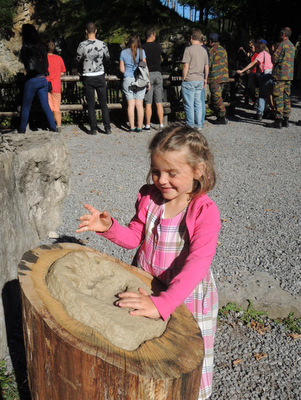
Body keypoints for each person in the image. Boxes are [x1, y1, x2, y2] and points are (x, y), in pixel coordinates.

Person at [76, 123, 221, 400]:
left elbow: (197, 264)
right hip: (146, 284)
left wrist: (164, 303)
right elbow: (134, 238)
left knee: (185, 356)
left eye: (172, 173)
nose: (162, 180)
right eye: (156, 171)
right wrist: (108, 227)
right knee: (147, 350)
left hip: (185, 296)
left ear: (198, 171)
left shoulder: (203, 211)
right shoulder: (149, 197)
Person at [18, 24, 57, 134]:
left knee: (26, 106)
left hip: (32, 80)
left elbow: (24, 62)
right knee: (45, 105)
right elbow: (46, 63)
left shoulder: (26, 46)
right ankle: (53, 127)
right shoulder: (41, 46)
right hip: (42, 79)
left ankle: (22, 129)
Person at [76, 22, 111, 135]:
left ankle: (93, 128)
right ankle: (107, 127)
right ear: (96, 31)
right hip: (100, 74)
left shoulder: (82, 45)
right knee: (103, 103)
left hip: (88, 76)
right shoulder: (102, 44)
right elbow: (108, 56)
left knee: (90, 104)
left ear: (86, 32)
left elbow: (77, 58)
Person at [237, 40, 274, 121]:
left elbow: (253, 63)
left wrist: (242, 71)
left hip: (265, 75)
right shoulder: (268, 54)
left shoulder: (261, 54)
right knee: (270, 94)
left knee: (262, 95)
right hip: (271, 75)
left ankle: (260, 113)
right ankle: (272, 111)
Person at [181, 29, 209, 131]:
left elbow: (185, 65)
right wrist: (205, 78)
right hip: (200, 79)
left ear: (191, 38)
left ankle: (190, 124)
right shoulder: (204, 50)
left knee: (189, 104)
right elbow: (206, 66)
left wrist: (184, 78)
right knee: (198, 103)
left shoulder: (188, 50)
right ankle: (199, 124)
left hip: (190, 79)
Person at [120, 34, 148, 132]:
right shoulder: (142, 52)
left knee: (131, 105)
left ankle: (131, 126)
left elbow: (122, 69)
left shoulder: (123, 53)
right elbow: (145, 67)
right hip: (140, 79)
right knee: (139, 105)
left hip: (128, 79)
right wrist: (147, 81)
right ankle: (139, 126)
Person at [271, 27, 295, 128]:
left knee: (278, 96)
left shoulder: (282, 45)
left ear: (282, 34)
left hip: (280, 75)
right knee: (286, 96)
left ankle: (278, 120)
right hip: (289, 75)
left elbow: (274, 59)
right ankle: (286, 119)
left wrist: (273, 53)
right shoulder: (292, 46)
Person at [142, 27, 164, 131]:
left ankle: (147, 125)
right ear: (152, 35)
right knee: (159, 102)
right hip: (158, 74)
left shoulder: (142, 48)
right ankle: (161, 124)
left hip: (148, 74)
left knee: (148, 103)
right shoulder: (158, 47)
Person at [208, 33, 229, 125]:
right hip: (223, 77)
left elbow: (208, 64)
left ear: (210, 41)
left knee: (216, 97)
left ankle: (222, 116)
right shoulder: (223, 49)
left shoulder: (212, 50)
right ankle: (220, 115)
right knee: (219, 96)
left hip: (215, 77)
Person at [46, 40, 66, 133]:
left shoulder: (43, 59)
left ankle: (51, 124)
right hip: (56, 85)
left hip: (46, 84)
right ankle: (58, 125)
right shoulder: (59, 58)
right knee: (57, 107)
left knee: (49, 106)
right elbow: (62, 72)